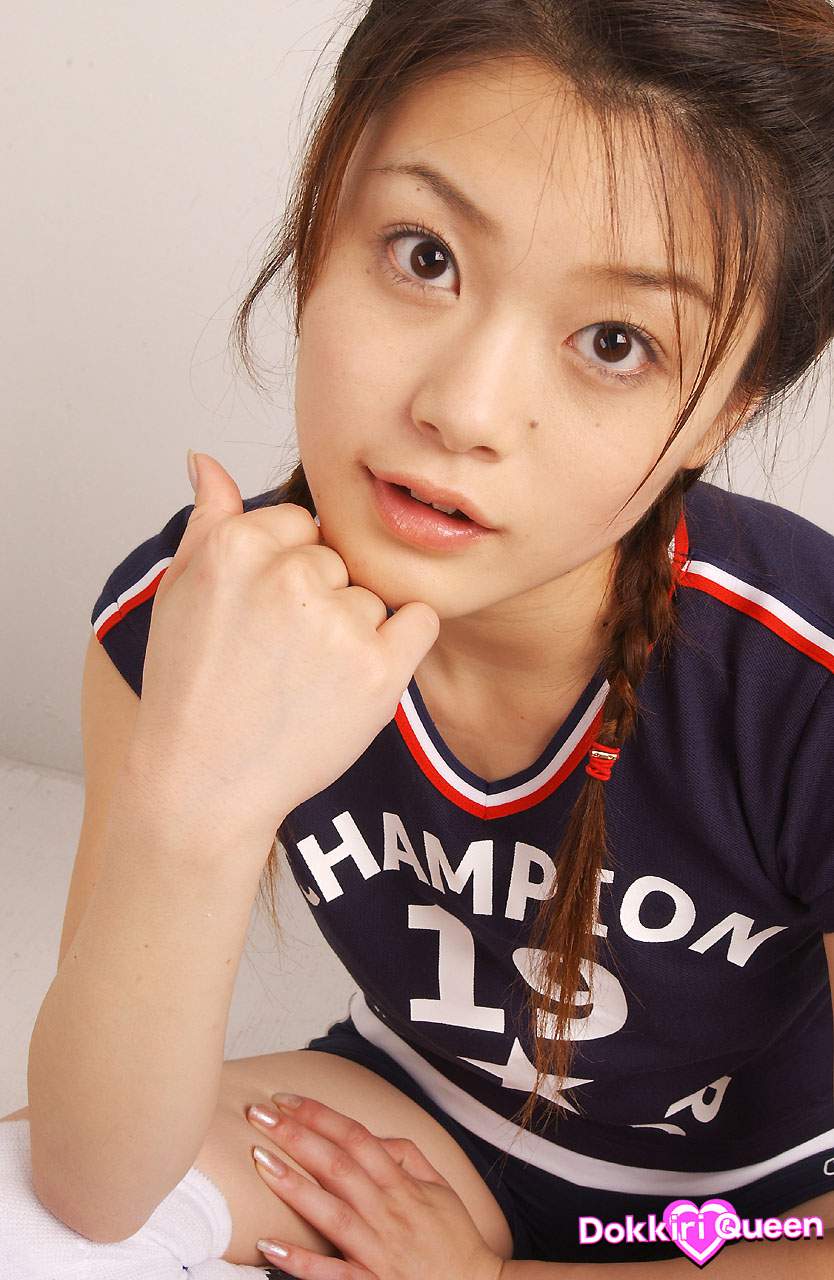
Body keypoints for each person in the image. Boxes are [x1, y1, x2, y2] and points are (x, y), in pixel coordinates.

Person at [3, 0, 834, 1274]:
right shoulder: (197, 614)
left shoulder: (801, 682)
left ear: (729, 406)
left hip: (768, 1210)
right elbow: (94, 1180)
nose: (464, 408)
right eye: (425, 255)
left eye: (615, 342)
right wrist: (195, 804)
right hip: (423, 1122)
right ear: (322, 215)